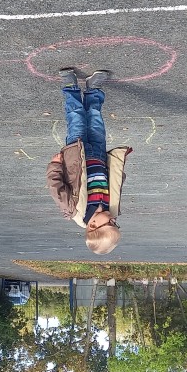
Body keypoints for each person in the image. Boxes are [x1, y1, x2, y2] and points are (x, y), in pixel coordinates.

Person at [46, 68, 132, 254]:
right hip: (99, 156)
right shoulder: (111, 208)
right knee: (95, 120)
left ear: (92, 225)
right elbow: (115, 185)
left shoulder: (76, 211)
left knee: (76, 118)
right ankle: (93, 90)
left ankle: (70, 86)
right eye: (115, 224)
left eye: (110, 224)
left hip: (78, 156)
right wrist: (117, 170)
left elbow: (56, 188)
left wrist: (55, 166)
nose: (113, 220)